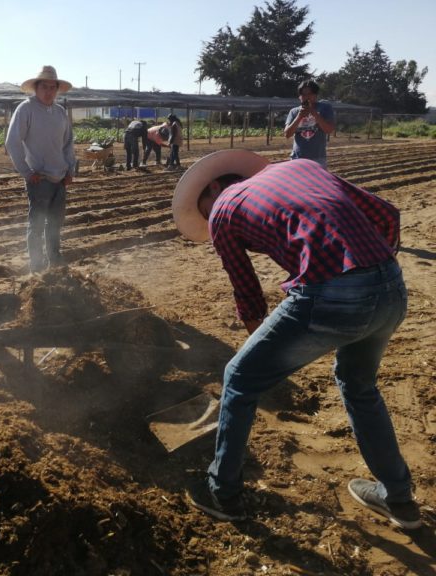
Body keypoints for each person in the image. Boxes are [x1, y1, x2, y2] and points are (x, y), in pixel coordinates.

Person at [172, 150, 420, 529]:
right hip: (391, 289)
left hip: (332, 293)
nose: (207, 217)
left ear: (215, 187)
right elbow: (387, 214)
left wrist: (264, 354)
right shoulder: (302, 167)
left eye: (202, 208)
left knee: (239, 378)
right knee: (358, 384)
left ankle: (222, 492)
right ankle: (398, 499)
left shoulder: (223, 207)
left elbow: (248, 293)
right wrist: (375, 275)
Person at [5, 65, 76, 273]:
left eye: (52, 87)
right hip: (39, 179)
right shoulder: (26, 109)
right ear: (36, 88)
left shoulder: (60, 112)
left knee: (55, 223)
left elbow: (68, 143)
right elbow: (12, 143)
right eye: (44, 86)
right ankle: (36, 266)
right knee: (36, 225)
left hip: (60, 178)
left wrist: (70, 170)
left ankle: (54, 260)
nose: (48, 91)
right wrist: (27, 172)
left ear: (57, 89)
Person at [284, 79, 336, 168]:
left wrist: (314, 113)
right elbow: (287, 134)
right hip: (297, 158)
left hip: (318, 158)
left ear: (315, 95)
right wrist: (299, 116)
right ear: (299, 97)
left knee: (318, 182)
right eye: (303, 95)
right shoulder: (294, 111)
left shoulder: (325, 108)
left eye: (310, 94)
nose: (306, 97)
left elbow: (329, 130)